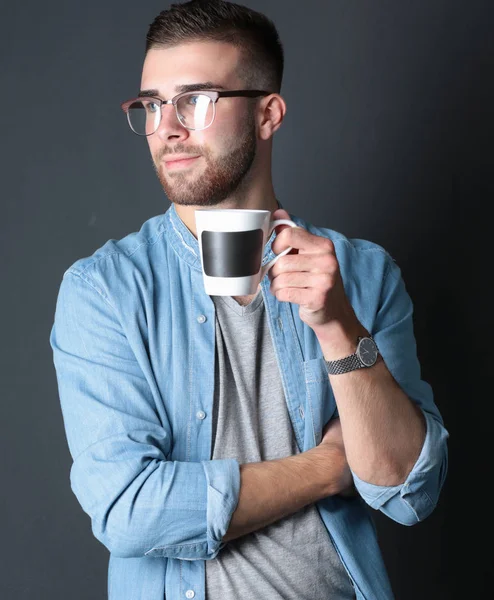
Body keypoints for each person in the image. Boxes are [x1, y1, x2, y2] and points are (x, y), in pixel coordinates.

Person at [49, 1, 449, 599]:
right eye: (153, 104)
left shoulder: (362, 273)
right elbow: (129, 509)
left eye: (196, 99)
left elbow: (408, 491)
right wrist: (327, 467)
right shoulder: (105, 290)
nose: (168, 127)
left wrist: (339, 327)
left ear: (268, 114)